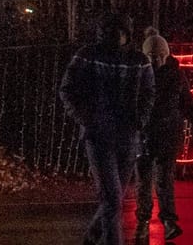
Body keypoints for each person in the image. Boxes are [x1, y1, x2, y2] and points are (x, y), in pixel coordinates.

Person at [59, 14, 155, 245]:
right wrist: (87, 119)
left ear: (127, 34)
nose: (116, 37)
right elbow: (67, 89)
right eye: (111, 32)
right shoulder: (88, 56)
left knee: (114, 198)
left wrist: (139, 120)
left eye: (120, 32)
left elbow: (148, 93)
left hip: (126, 137)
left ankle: (91, 238)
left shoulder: (138, 60)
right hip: (100, 137)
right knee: (112, 197)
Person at [134, 28, 193, 242]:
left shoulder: (172, 75)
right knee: (145, 181)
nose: (158, 61)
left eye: (162, 56)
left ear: (167, 54)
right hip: (146, 134)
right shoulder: (141, 74)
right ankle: (145, 222)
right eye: (154, 57)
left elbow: (189, 105)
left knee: (163, 180)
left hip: (165, 135)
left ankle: (167, 221)